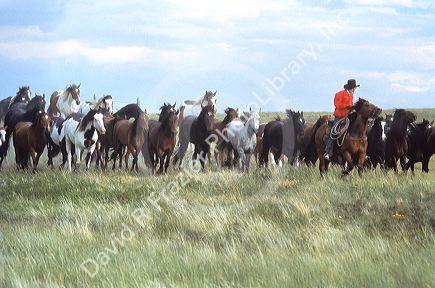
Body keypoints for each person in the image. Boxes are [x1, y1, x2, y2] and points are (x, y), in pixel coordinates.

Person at [324, 79, 359, 161]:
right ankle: (327, 152)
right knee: (333, 132)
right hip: (339, 117)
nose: (355, 90)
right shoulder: (339, 94)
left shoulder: (351, 95)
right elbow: (337, 104)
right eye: (354, 88)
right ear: (351, 88)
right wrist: (348, 106)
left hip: (347, 117)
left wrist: (352, 110)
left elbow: (350, 106)